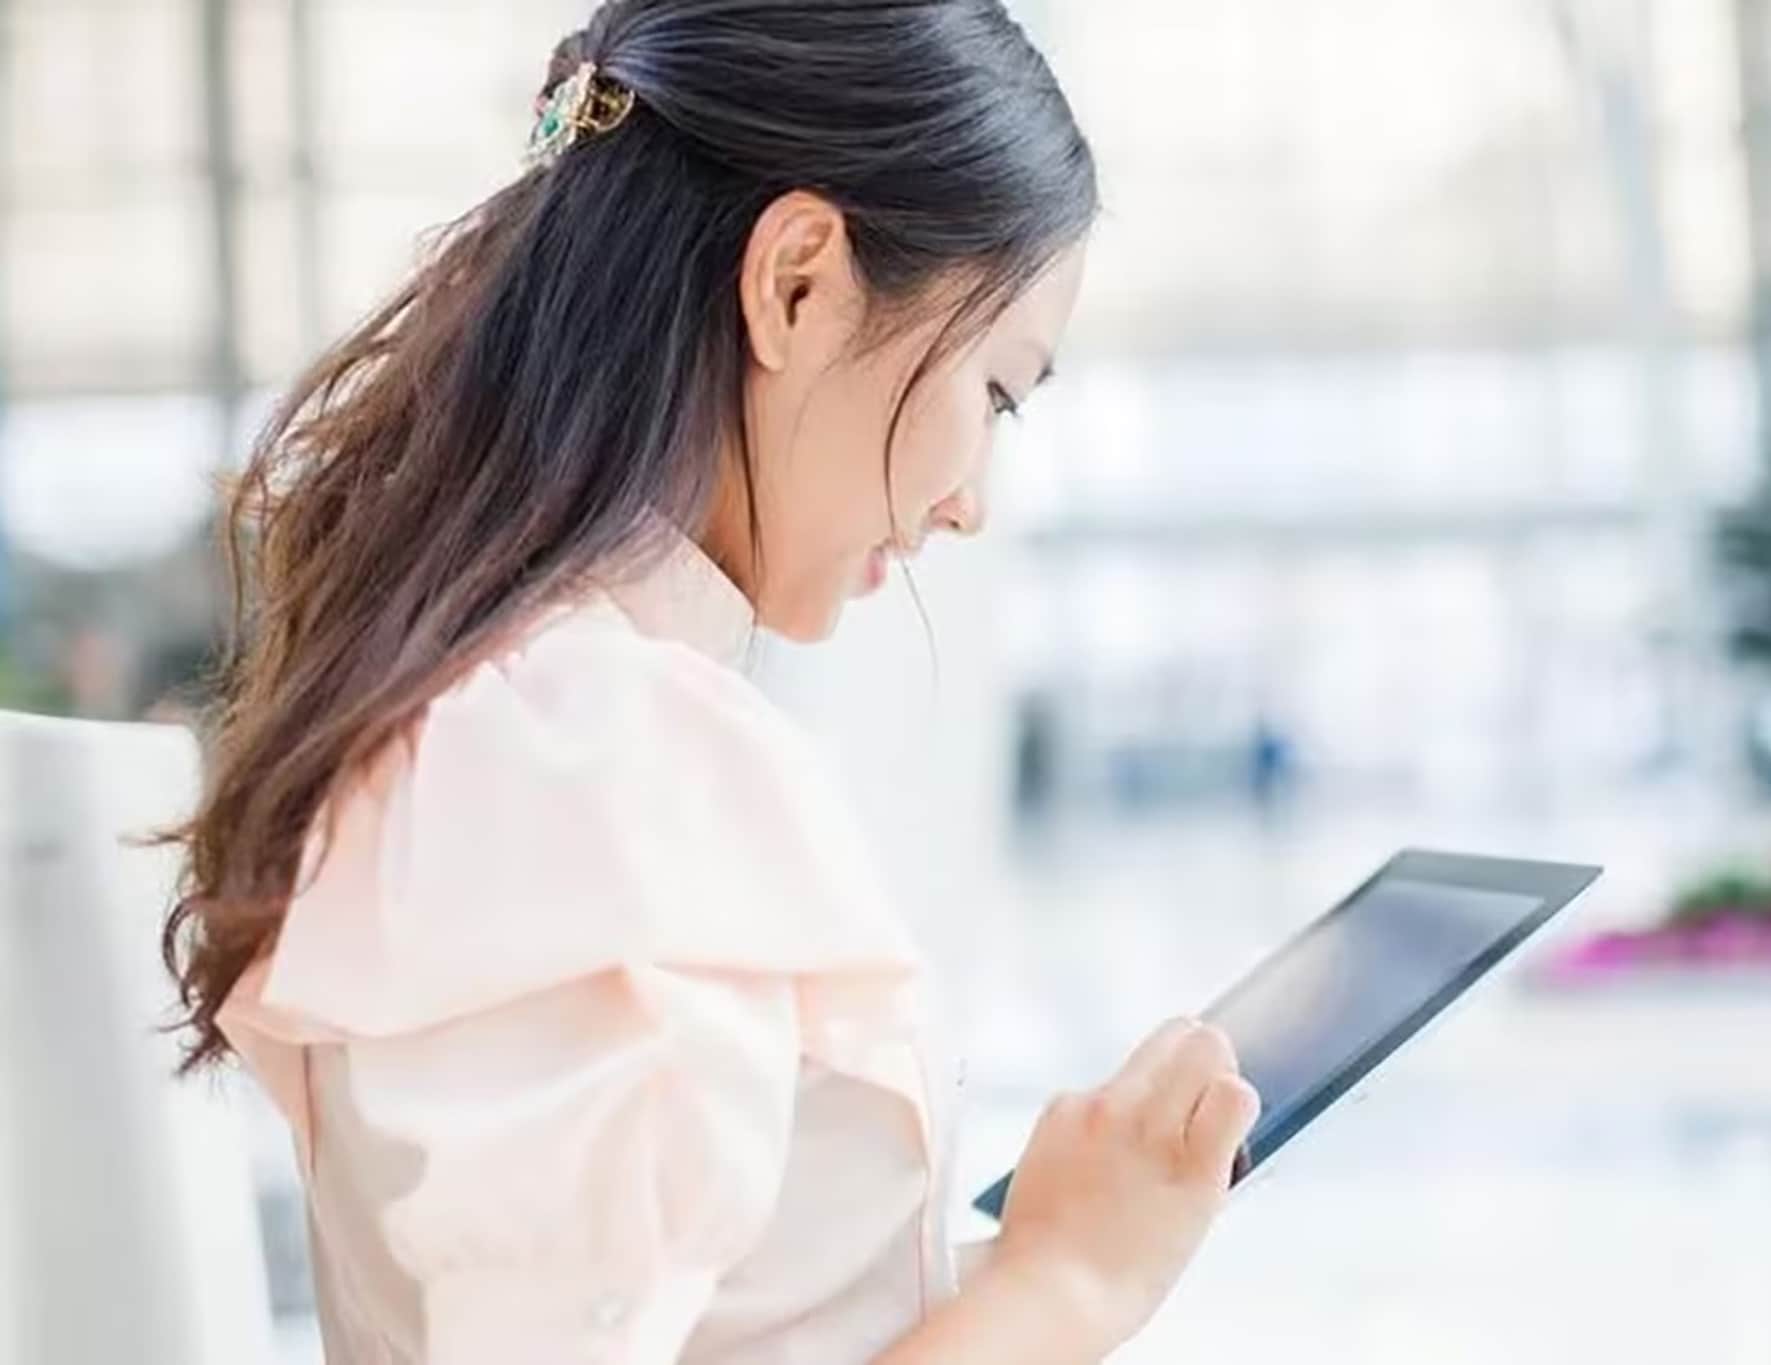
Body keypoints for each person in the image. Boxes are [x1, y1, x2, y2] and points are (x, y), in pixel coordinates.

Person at [160, 3, 1260, 1362]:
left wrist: (1029, 1249)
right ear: (797, 280)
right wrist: (1071, 1286)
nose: (970, 501)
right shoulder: (593, 752)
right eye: (999, 389)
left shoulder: (523, 717)